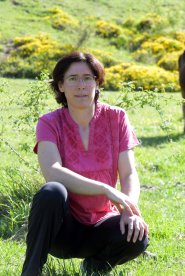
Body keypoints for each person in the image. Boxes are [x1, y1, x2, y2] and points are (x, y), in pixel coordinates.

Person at [21, 52, 149, 275]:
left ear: (97, 83)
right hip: (62, 230)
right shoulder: (48, 122)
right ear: (61, 85)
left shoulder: (117, 117)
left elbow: (128, 173)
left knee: (137, 237)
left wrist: (129, 210)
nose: (81, 85)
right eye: (72, 79)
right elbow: (53, 172)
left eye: (87, 78)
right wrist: (106, 189)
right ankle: (31, 271)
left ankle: (96, 266)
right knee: (51, 191)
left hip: (102, 224)